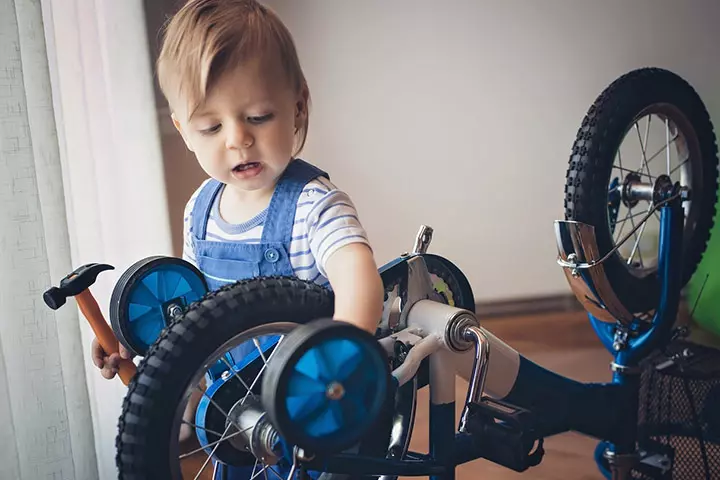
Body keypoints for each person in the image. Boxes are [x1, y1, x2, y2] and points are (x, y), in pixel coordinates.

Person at [91, 0, 384, 477]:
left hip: (312, 413)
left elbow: (359, 280)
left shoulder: (314, 203)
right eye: (212, 126)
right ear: (185, 131)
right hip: (233, 423)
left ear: (298, 107)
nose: (238, 139)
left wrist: (340, 360)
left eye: (259, 117)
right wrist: (137, 350)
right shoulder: (200, 211)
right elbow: (188, 314)